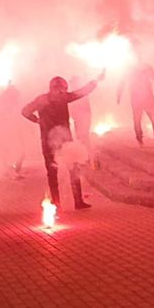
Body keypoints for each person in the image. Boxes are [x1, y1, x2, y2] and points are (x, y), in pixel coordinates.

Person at [22, 74, 103, 210]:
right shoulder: (54, 98)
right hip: (57, 142)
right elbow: (81, 92)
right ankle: (68, 202)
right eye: (61, 89)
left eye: (63, 90)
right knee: (64, 170)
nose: (61, 93)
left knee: (62, 171)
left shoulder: (48, 98)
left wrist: (37, 120)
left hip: (54, 141)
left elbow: (25, 111)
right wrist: (36, 120)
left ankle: (66, 202)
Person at [117, 61, 154, 145]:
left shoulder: (140, 68)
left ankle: (150, 139)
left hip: (143, 98)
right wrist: (118, 95)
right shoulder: (141, 67)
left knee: (148, 118)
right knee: (144, 119)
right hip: (142, 98)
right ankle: (146, 140)